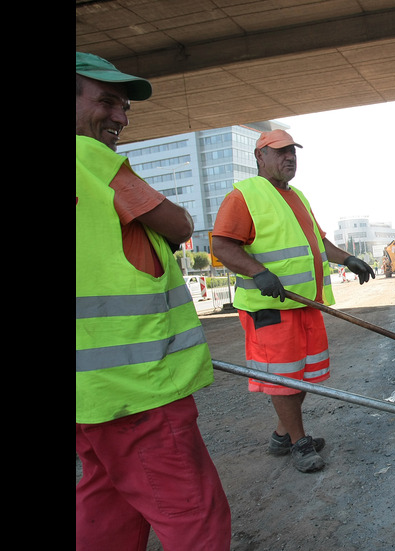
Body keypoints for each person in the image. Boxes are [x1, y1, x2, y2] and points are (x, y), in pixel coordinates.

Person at [75, 52, 231, 550]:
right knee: (195, 515)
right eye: (105, 102)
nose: (120, 117)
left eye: (124, 107)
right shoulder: (90, 160)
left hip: (90, 395)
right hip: (138, 388)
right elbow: (180, 225)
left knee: (108, 503)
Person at [211, 129, 375, 473]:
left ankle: (282, 435)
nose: (289, 157)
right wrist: (258, 272)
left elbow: (319, 242)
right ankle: (299, 443)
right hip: (269, 308)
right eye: (281, 152)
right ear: (260, 157)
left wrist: (347, 259)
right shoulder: (245, 196)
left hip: (303, 305)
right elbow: (223, 245)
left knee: (301, 376)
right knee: (284, 379)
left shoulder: (296, 196)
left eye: (293, 152)